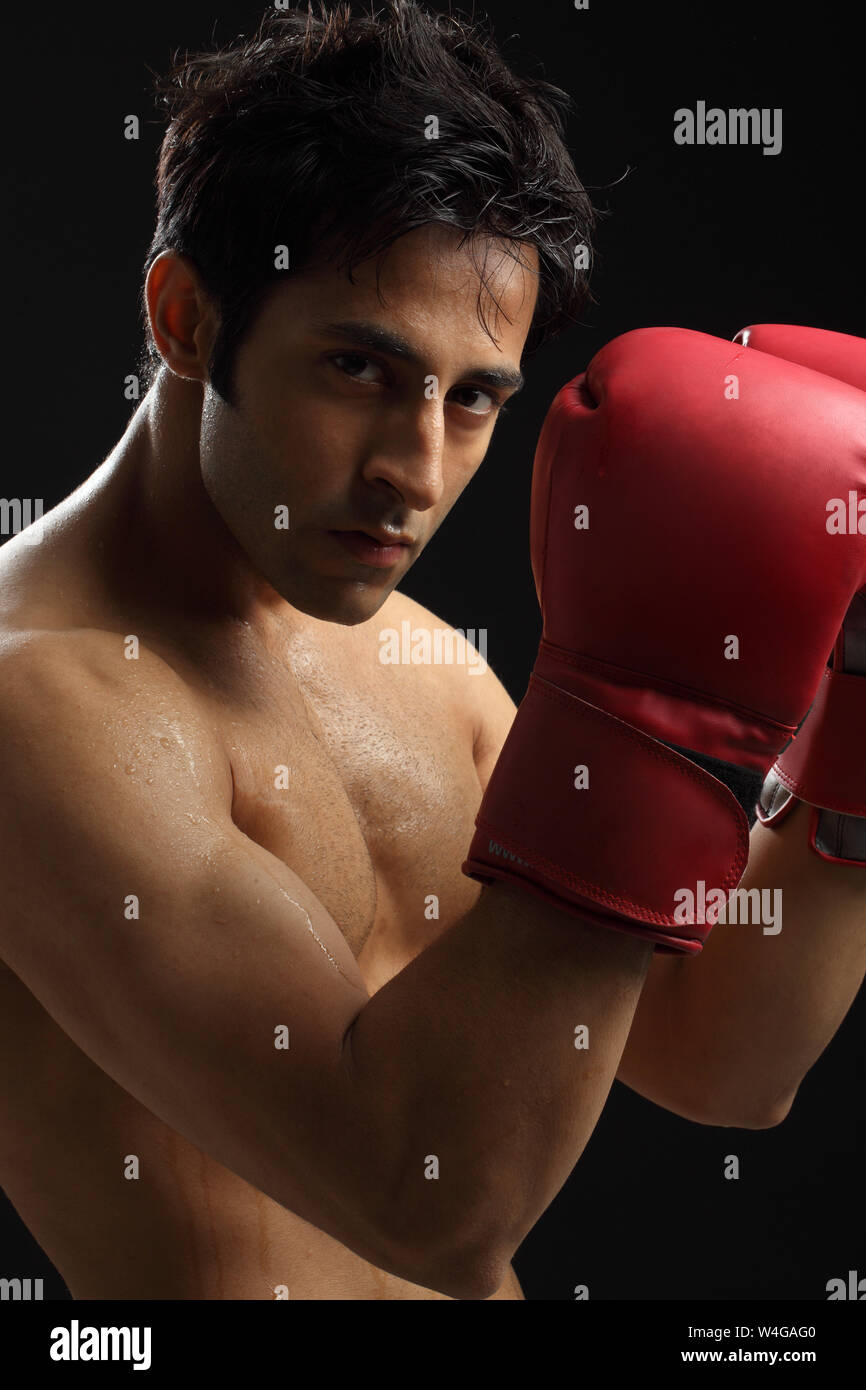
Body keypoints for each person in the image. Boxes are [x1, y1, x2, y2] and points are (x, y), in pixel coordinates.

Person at [0, 1, 863, 1303]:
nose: (413, 470)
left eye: (473, 398)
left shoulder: (415, 661)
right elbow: (419, 1198)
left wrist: (850, 722)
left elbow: (714, 1059)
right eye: (357, 366)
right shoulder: (37, 701)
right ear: (183, 318)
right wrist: (646, 711)